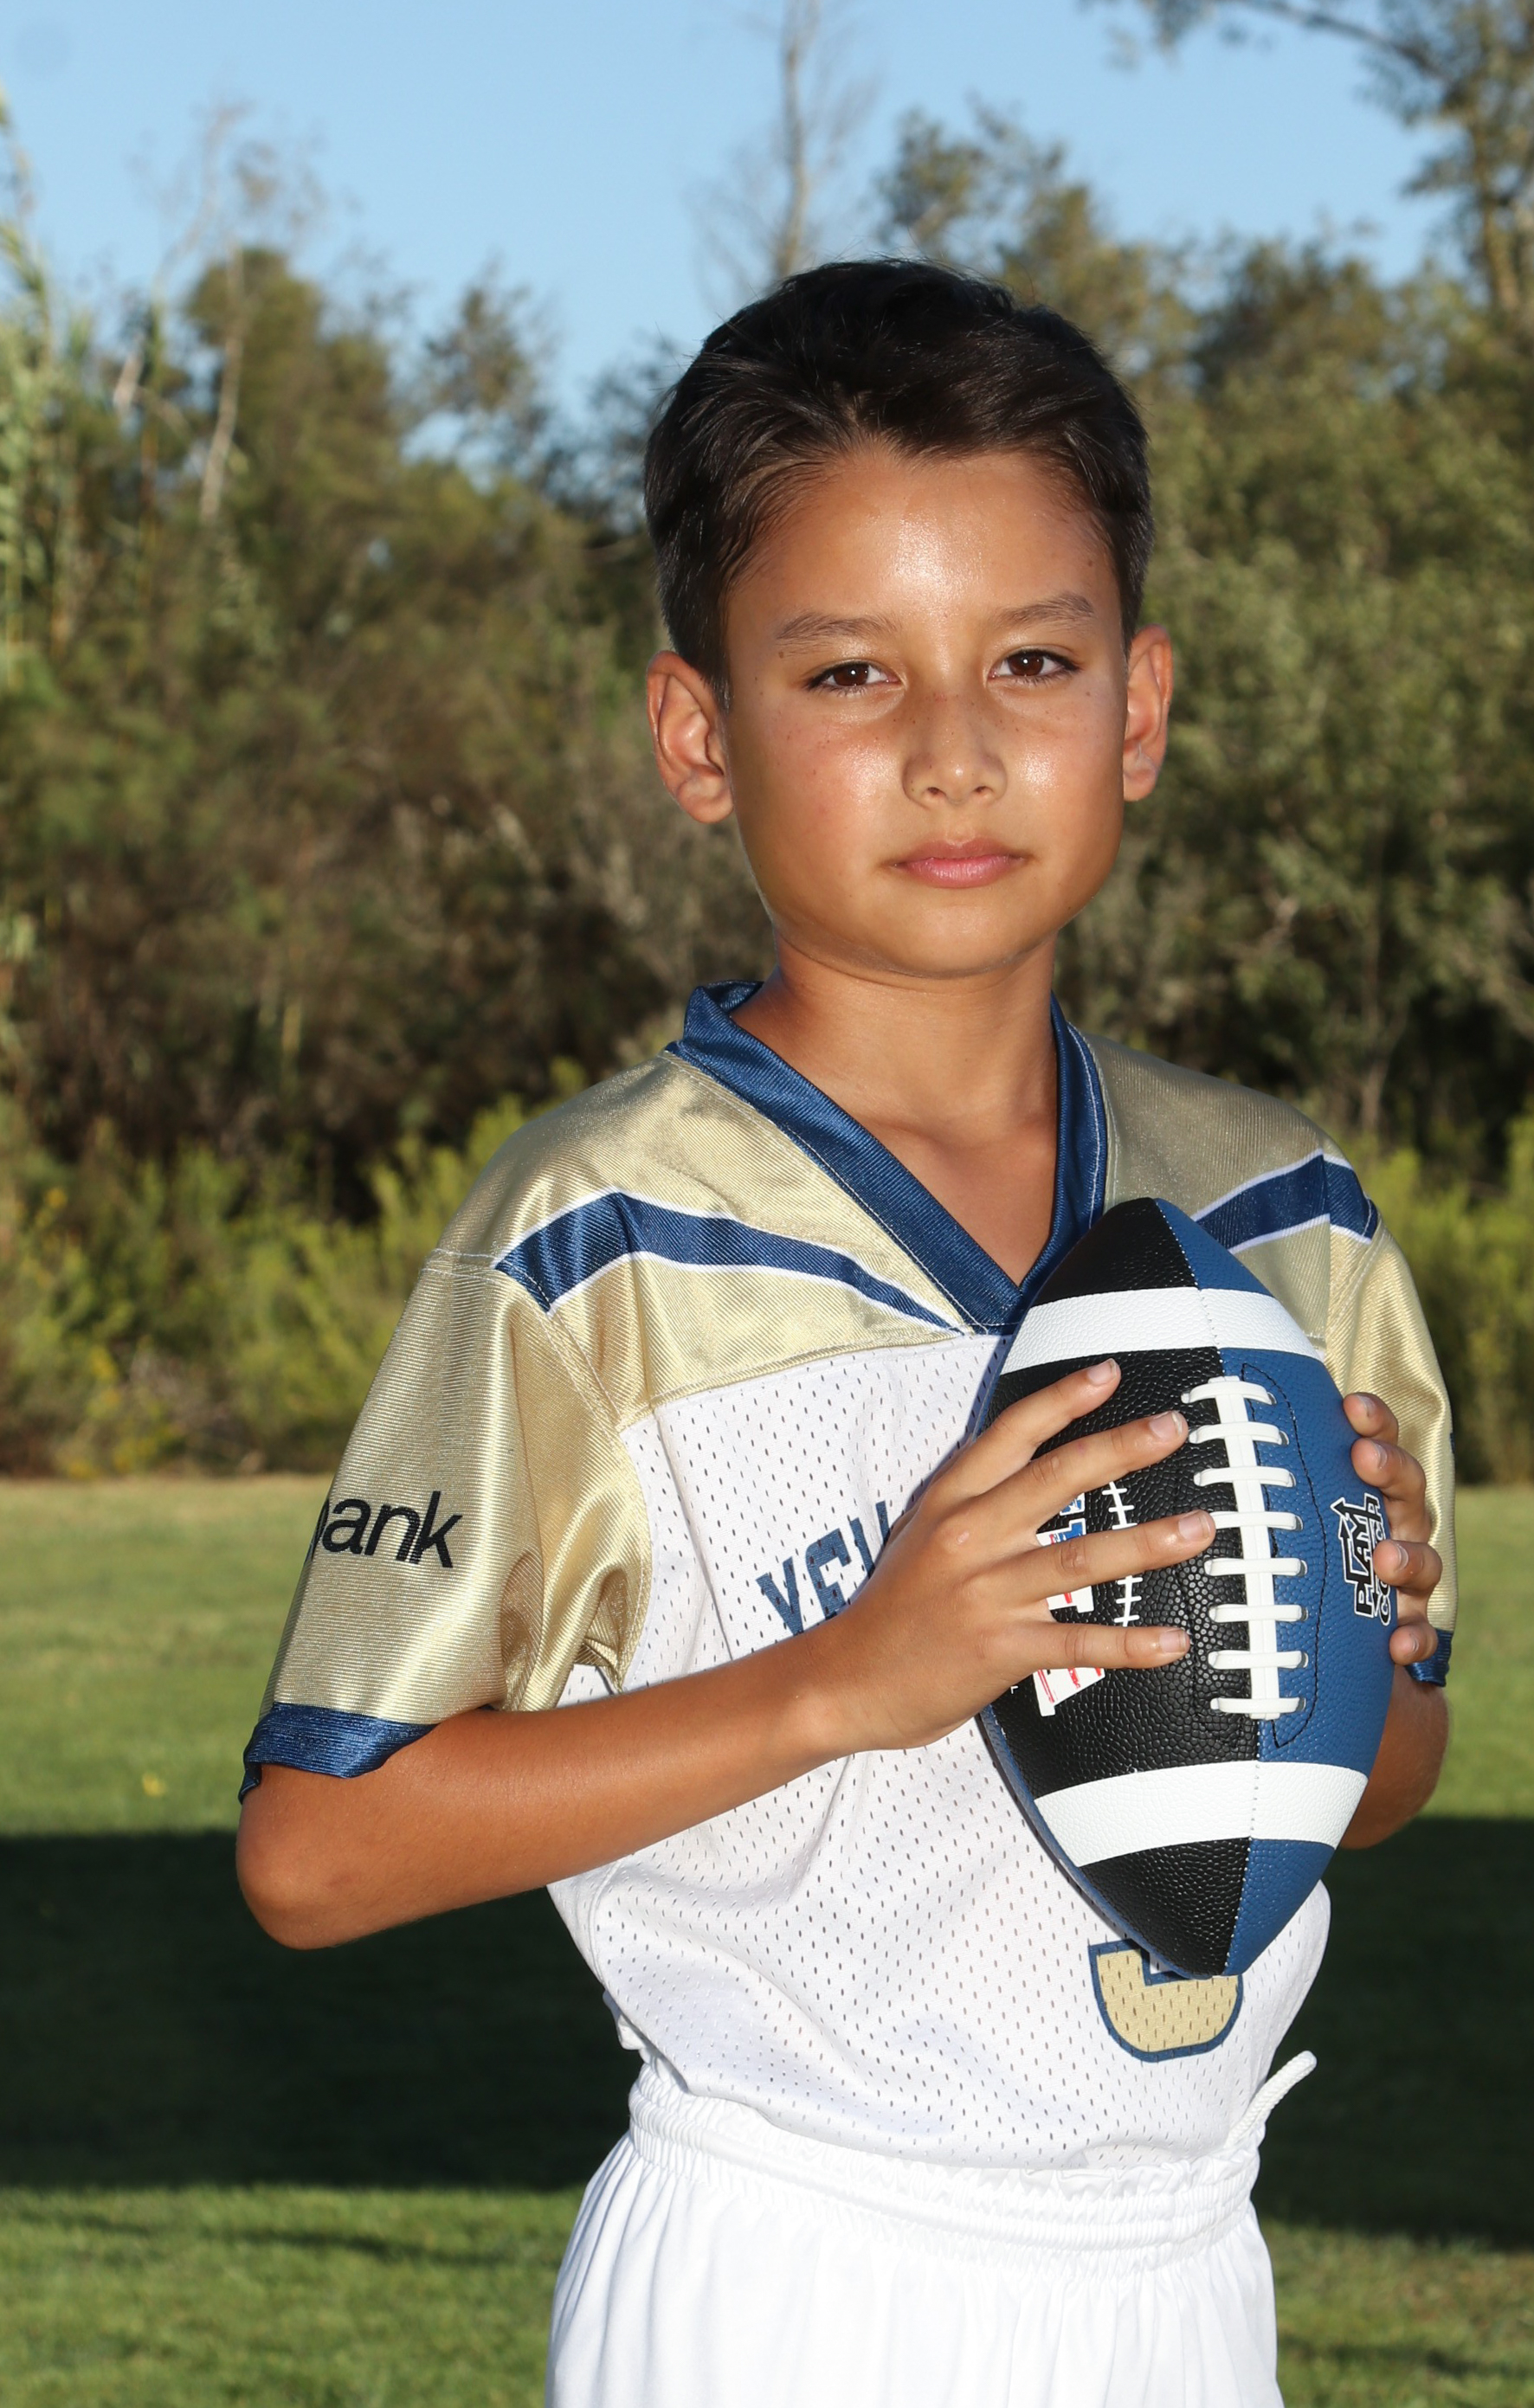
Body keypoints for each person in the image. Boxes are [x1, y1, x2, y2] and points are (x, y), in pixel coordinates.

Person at [236, 261, 1454, 2408]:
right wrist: (843, 1679)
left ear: (1140, 705)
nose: (954, 749)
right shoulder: (594, 1242)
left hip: (1188, 2271)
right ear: (699, 736)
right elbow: (318, 1850)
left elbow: (1377, 1787)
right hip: (797, 2272)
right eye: (849, 671)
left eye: (1032, 660)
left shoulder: (1283, 1209)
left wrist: (1357, 1632)